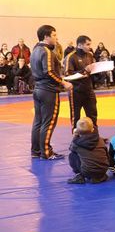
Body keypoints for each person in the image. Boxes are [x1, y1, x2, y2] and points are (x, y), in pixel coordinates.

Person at [30, 25, 74, 160]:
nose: (56, 38)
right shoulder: (46, 51)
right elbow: (49, 71)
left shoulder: (35, 50)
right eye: (54, 35)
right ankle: (46, 152)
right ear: (46, 37)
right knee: (48, 122)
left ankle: (36, 150)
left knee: (38, 121)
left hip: (38, 89)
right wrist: (63, 82)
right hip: (48, 90)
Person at [65, 35, 97, 131]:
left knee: (93, 114)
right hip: (76, 91)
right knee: (75, 116)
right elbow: (68, 74)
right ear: (79, 45)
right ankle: (76, 136)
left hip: (88, 89)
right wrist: (84, 70)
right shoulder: (71, 57)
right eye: (87, 44)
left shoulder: (90, 55)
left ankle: (94, 135)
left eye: (90, 44)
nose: (89, 47)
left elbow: (91, 71)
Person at [67, 117, 109, 184]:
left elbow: (71, 148)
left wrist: (75, 136)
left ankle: (79, 175)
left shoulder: (77, 144)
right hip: (103, 170)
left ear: (77, 131)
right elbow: (106, 154)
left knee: (72, 155)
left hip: (87, 172)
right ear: (92, 129)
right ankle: (100, 176)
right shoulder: (100, 140)